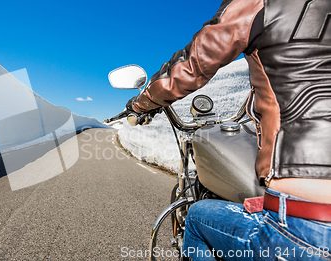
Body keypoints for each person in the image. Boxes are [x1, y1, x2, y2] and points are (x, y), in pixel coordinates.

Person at [125, 0, 331, 260]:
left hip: (305, 224)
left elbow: (191, 65)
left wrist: (140, 105)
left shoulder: (259, 4)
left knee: (199, 218)